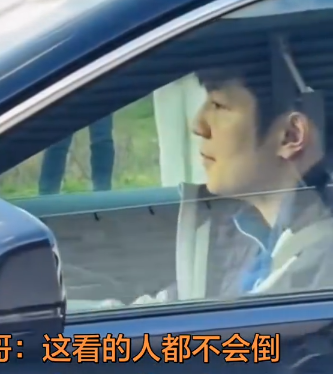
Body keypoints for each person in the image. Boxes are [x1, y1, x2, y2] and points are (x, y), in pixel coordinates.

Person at [131, 57, 333, 307]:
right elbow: (162, 308)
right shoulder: (241, 234)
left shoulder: (320, 265)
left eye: (218, 105)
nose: (198, 125)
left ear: (290, 136)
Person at [38, 0, 115, 194]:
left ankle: (103, 193)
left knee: (102, 137)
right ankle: (48, 195)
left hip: (102, 67)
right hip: (68, 67)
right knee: (58, 137)